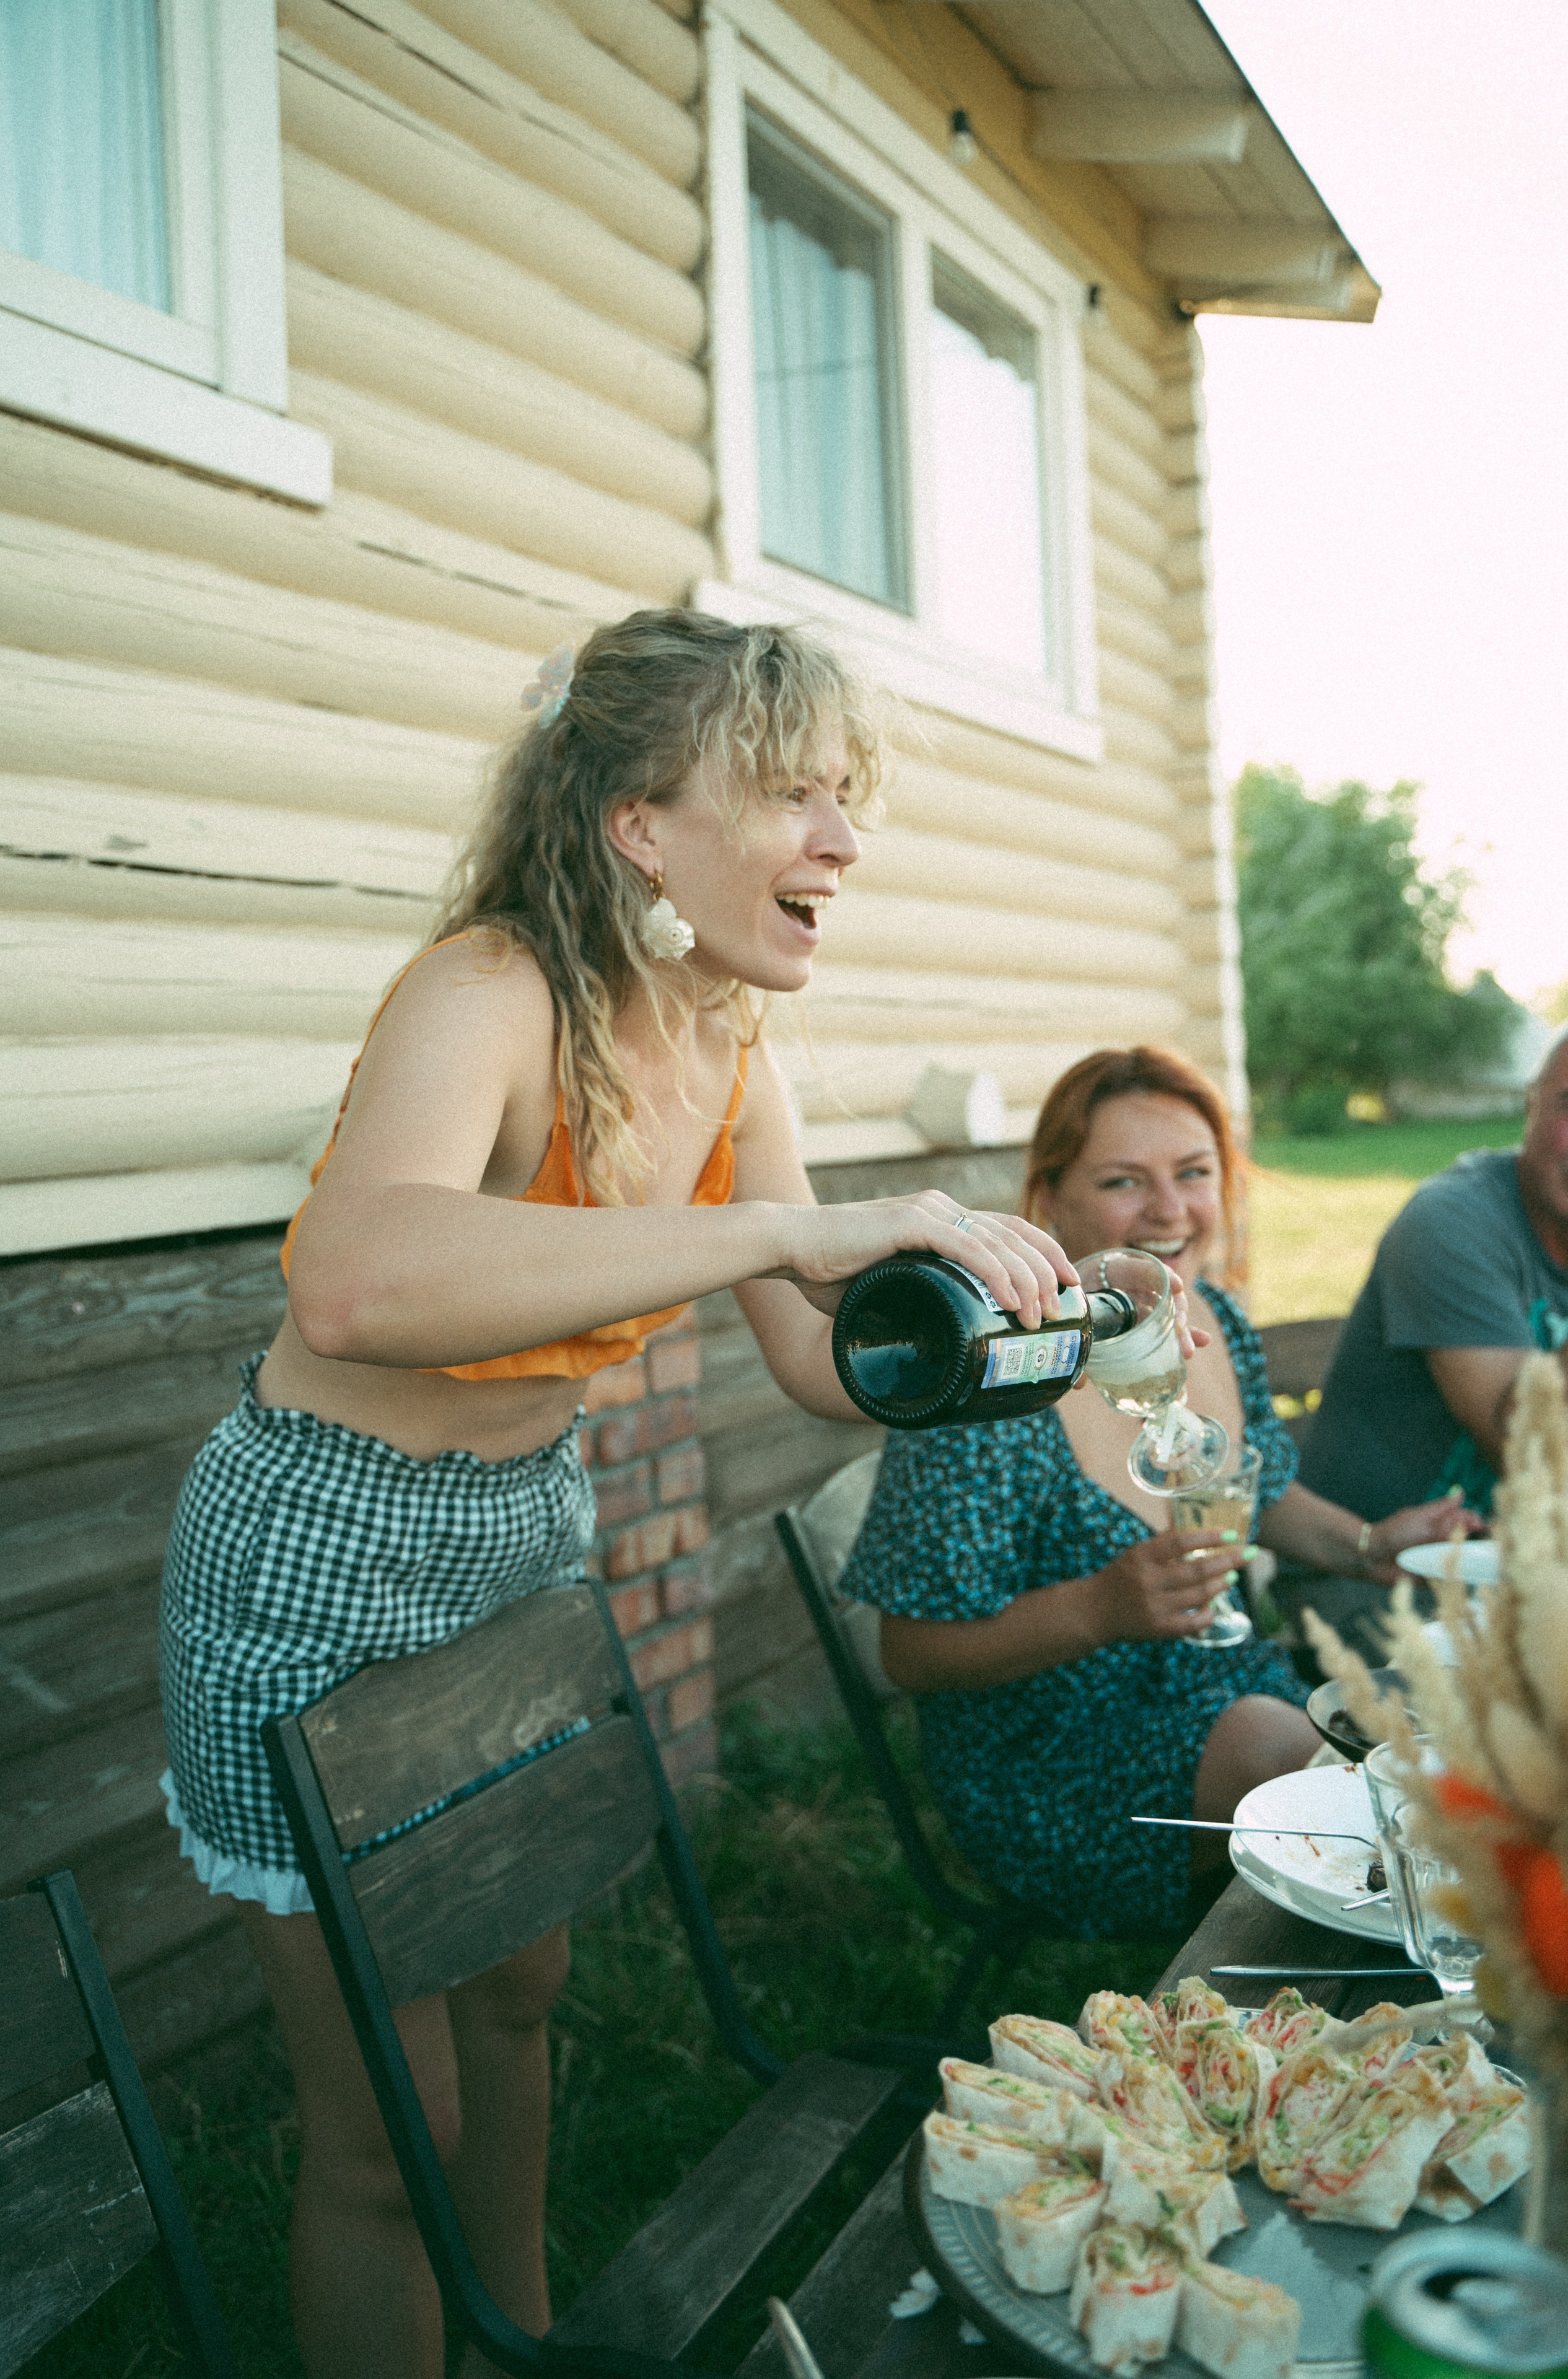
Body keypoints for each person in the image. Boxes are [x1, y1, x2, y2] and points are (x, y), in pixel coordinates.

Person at [157, 611, 1072, 2379]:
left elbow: (824, 1362)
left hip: (521, 1536)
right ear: (643, 822)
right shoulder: (490, 989)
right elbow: (352, 1281)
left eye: (847, 800)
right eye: (798, 796)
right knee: (385, 2125)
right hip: (318, 1551)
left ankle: (531, 2347)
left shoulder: (731, 1039)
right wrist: (789, 1227)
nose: (844, 842)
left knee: (522, 2002)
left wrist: (1033, 1332)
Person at [838, 1045, 1476, 1940]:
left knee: (1421, 1745)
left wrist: (1373, 1547)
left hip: (1229, 1688)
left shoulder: (1212, 1322)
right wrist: (1099, 1608)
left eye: (1193, 1173)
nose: (1170, 1210)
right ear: (1050, 1198)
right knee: (1325, 1772)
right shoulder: (993, 1375)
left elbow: (1257, 1495)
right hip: (1052, 1765)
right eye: (1124, 1182)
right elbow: (908, 1652)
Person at [1285, 1030, 1568, 1654]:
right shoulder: (1451, 1225)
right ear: (1530, 1103)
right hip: (1377, 1585)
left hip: (1527, 1583)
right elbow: (1529, 1447)